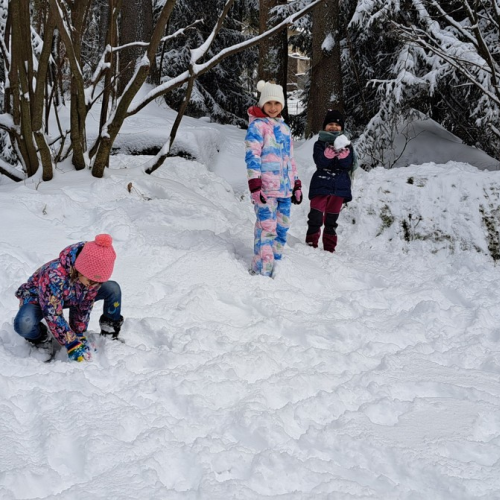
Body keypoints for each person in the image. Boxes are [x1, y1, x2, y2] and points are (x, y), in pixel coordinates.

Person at [14, 234, 124, 362]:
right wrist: (71, 342)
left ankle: (109, 332)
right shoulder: (54, 275)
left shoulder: (91, 280)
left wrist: (78, 333)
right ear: (80, 269)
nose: (93, 285)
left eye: (97, 282)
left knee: (112, 288)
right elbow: (52, 313)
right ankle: (41, 338)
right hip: (39, 298)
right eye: (91, 280)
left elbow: (84, 304)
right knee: (24, 324)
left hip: (70, 296)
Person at [245, 80, 302, 277]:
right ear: (262, 104)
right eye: (268, 103)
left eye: (277, 103)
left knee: (282, 227)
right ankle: (262, 270)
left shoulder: (285, 128)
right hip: (266, 190)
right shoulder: (257, 127)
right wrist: (255, 184)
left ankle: (277, 264)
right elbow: (252, 156)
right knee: (266, 228)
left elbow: (290, 159)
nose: (272, 107)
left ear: (282, 106)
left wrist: (296, 183)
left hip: (285, 190)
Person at [306, 109, 358, 252]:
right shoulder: (320, 143)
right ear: (324, 127)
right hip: (321, 185)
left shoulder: (346, 144)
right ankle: (311, 244)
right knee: (315, 216)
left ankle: (329, 248)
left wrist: (344, 158)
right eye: (330, 124)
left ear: (342, 128)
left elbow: (348, 165)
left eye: (337, 124)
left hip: (339, 187)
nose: (334, 127)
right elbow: (319, 162)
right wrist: (326, 156)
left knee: (331, 220)